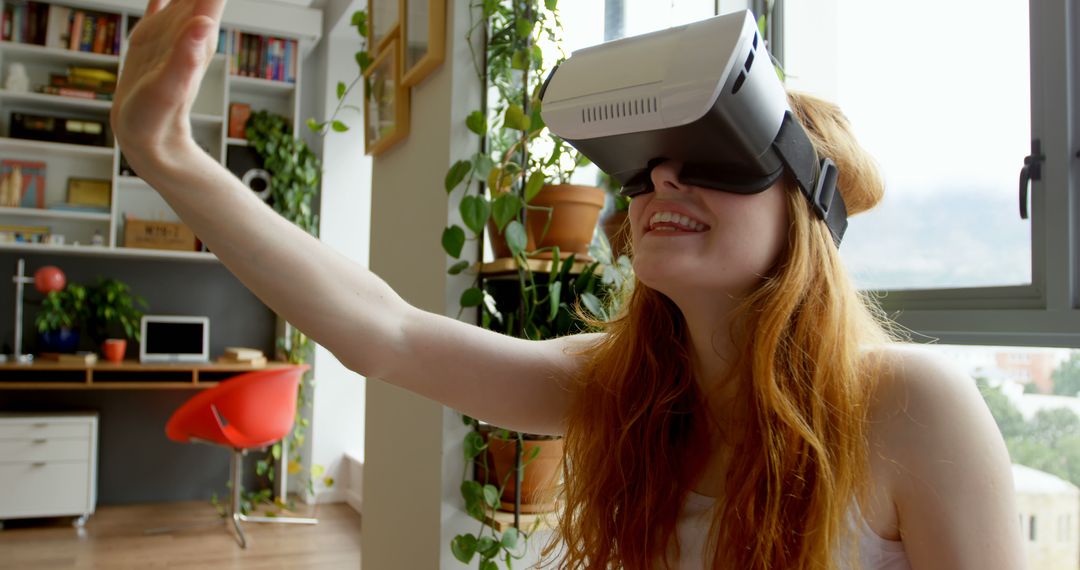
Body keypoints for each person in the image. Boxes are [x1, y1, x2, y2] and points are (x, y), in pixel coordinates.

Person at [113, 2, 1025, 568]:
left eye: (714, 155)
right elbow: (383, 332)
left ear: (810, 211)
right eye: (647, 162)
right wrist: (169, 157)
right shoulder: (624, 388)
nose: (665, 180)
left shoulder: (908, 408)